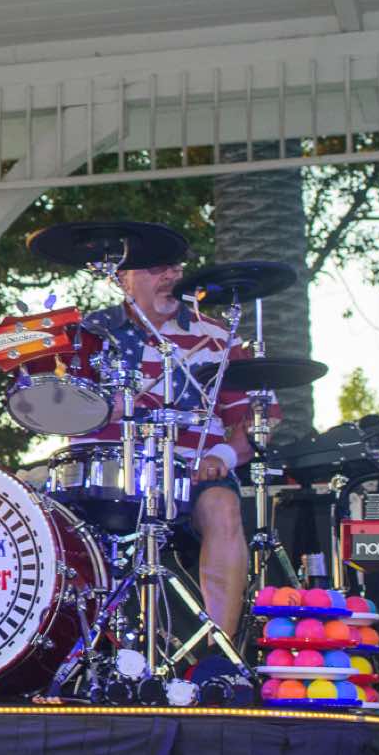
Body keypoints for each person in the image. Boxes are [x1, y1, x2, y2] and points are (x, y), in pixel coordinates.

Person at [66, 252, 254, 644]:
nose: (170, 275)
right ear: (122, 278)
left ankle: (219, 652)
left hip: (189, 473)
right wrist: (92, 409)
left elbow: (254, 422)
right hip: (105, 474)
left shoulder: (216, 335)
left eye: (175, 268)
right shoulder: (89, 333)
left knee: (223, 506)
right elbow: (52, 407)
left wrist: (220, 457)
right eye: (156, 268)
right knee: (49, 520)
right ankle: (75, 649)